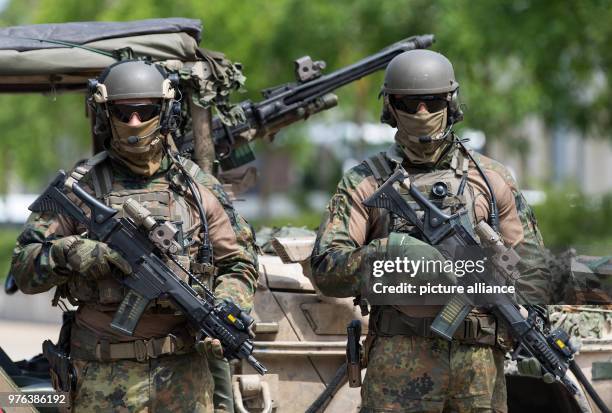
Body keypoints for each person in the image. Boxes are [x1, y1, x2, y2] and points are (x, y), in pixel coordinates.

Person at [310, 49, 551, 412]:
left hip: (478, 374)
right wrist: (389, 253)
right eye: (410, 102)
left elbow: (533, 270)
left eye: (433, 101)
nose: (422, 113)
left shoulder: (490, 179)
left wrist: (530, 311)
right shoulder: (365, 181)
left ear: (451, 103)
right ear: (391, 107)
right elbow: (326, 270)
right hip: (398, 370)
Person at [10, 60, 258, 412]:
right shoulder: (82, 188)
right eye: (123, 112)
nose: (134, 122)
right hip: (102, 375)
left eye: (145, 111)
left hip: (183, 376)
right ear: (105, 114)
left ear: (165, 112)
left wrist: (228, 305)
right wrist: (71, 252)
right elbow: (23, 268)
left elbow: (239, 262)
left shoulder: (198, 189)